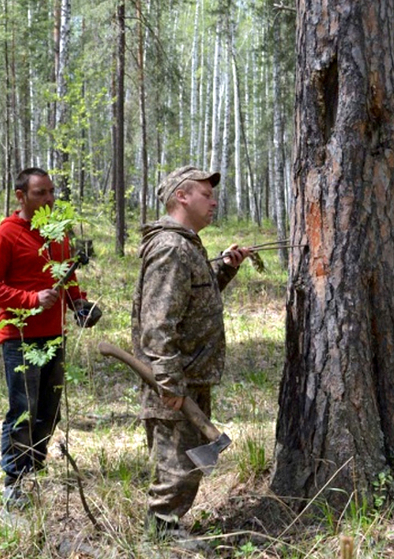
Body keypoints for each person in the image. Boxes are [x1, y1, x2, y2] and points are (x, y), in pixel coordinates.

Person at [131, 165, 250, 534]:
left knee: (189, 462)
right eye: (206, 194)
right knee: (175, 467)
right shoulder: (171, 248)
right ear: (181, 196)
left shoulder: (186, 245)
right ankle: (162, 536)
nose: (214, 201)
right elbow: (157, 323)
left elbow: (192, 299)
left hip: (189, 378)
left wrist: (225, 270)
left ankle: (168, 530)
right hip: (174, 384)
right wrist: (167, 381)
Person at [0, 167, 97, 508]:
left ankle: (35, 469)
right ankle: (14, 481)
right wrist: (31, 300)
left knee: (49, 410)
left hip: (54, 335)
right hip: (19, 337)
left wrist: (79, 305)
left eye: (51, 192)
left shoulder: (56, 234)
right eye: (40, 193)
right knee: (23, 410)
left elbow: (67, 277)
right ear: (21, 196)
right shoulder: (5, 235)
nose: (49, 199)